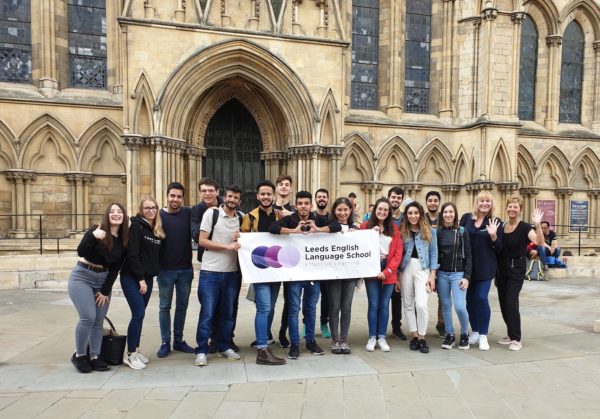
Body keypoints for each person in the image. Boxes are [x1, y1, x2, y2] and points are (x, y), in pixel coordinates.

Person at [269, 191, 341, 359]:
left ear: (311, 205)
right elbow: (272, 228)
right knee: (294, 310)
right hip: (294, 275)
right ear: (296, 205)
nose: (303, 206)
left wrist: (318, 229)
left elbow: (336, 226)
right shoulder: (290, 219)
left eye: (306, 203)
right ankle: (294, 344)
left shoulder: (318, 219)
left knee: (310, 309)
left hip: (313, 275)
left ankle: (310, 341)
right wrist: (293, 231)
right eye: (300, 203)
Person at [68, 203, 128, 373]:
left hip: (102, 280)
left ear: (124, 216)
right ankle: (79, 355)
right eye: (112, 211)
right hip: (82, 276)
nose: (116, 214)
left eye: (119, 211)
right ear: (107, 215)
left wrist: (104, 290)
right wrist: (92, 236)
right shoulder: (97, 229)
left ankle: (95, 356)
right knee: (88, 317)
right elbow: (81, 251)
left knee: (98, 320)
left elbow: (116, 268)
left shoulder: (123, 240)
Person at [194, 185, 244, 366]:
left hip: (232, 273)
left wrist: (242, 238)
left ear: (239, 201)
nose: (232, 200)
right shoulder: (211, 214)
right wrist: (227, 246)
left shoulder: (241, 218)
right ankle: (201, 350)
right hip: (211, 273)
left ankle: (224, 346)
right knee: (207, 313)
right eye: (230, 196)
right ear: (224, 197)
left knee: (227, 314)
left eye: (236, 198)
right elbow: (202, 240)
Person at [241, 180, 285, 365]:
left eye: (269, 194)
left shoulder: (280, 215)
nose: (266, 197)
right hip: (259, 269)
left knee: (271, 306)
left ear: (273, 195)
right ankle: (262, 350)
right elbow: (243, 239)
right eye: (263, 194)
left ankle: (264, 342)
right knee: (264, 308)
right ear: (258, 196)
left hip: (275, 269)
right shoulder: (250, 217)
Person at [120, 196, 164, 369]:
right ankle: (130, 354)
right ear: (141, 210)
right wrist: (140, 279)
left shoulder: (156, 229)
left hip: (147, 278)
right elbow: (133, 254)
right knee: (138, 313)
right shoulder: (136, 226)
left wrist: (154, 273)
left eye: (153, 207)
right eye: (147, 208)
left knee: (140, 315)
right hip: (132, 277)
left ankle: (136, 350)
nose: (151, 210)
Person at [497, 198, 544, 351]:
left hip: (516, 267)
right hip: (501, 268)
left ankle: (516, 338)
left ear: (520, 209)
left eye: (515, 207)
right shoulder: (502, 226)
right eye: (510, 206)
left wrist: (537, 225)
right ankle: (510, 334)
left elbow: (539, 242)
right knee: (503, 302)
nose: (512, 209)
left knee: (511, 301)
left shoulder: (524, 227)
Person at [459, 191, 503, 351]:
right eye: (482, 201)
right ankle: (475, 331)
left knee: (481, 298)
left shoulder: (495, 222)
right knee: (469, 300)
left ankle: (484, 334)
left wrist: (493, 236)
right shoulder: (466, 219)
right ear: (476, 203)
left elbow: (500, 248)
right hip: (468, 267)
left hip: (486, 267)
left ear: (492, 204)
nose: (484, 204)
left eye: (488, 201)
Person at [156, 182, 195, 358]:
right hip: (165, 271)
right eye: (172, 196)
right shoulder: (158, 216)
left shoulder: (188, 213)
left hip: (185, 270)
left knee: (182, 306)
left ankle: (178, 341)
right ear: (167, 196)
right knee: (164, 306)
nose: (175, 199)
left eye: (179, 196)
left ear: (183, 198)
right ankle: (166, 342)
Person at [360, 198, 403, 352]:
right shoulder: (365, 226)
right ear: (375, 210)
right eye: (380, 209)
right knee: (374, 303)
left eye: (386, 210)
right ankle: (372, 337)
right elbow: (359, 244)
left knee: (384, 305)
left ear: (389, 212)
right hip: (372, 268)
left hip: (388, 269)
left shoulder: (394, 229)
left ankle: (382, 337)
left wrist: (388, 271)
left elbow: (398, 253)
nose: (382, 212)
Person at [399, 202, 438, 354]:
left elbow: (434, 253)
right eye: (410, 213)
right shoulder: (402, 231)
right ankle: (414, 335)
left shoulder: (429, 230)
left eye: (416, 213)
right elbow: (397, 252)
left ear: (420, 214)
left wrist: (433, 275)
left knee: (421, 304)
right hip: (405, 268)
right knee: (408, 304)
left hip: (423, 269)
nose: (413, 216)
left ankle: (422, 336)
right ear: (406, 215)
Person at [436, 202, 472, 350]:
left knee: (460, 306)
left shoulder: (462, 231)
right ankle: (450, 335)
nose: (448, 215)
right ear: (442, 214)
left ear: (455, 214)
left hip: (458, 273)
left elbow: (468, 255)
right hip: (442, 274)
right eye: (445, 212)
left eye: (451, 212)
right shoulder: (437, 232)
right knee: (445, 305)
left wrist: (467, 277)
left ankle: (464, 333)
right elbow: (435, 254)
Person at [327, 197, 359, 354]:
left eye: (345, 209)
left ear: (350, 211)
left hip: (350, 275)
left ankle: (344, 339)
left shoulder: (355, 228)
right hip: (333, 275)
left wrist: (357, 234)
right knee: (334, 307)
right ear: (334, 211)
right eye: (339, 210)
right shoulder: (329, 227)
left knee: (346, 307)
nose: (342, 213)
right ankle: (335, 340)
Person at [273, 174, 294, 348]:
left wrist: (291, 215)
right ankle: (265, 333)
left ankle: (282, 332)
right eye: (281, 184)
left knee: (289, 299)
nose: (284, 187)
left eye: (287, 184)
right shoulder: (267, 207)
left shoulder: (295, 210)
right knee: (267, 301)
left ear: (290, 188)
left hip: (289, 259)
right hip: (271, 259)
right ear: (276, 188)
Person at [425, 190, 445, 338]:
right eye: (430, 200)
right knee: (421, 295)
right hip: (425, 262)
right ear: (426, 202)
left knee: (443, 296)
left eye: (435, 200)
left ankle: (441, 324)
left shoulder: (445, 218)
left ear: (439, 202)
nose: (433, 203)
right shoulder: (421, 219)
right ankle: (421, 325)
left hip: (443, 262)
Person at [387, 186, 407, 341]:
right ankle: (377, 329)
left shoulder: (404, 218)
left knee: (396, 296)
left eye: (398, 198)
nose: (395, 200)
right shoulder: (382, 214)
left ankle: (396, 327)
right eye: (393, 197)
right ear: (389, 197)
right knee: (379, 299)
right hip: (382, 261)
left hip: (399, 261)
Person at [313, 188, 331, 339]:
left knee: (326, 297)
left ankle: (324, 323)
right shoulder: (310, 216)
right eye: (319, 197)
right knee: (310, 297)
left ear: (328, 199)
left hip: (328, 266)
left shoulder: (332, 218)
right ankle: (307, 324)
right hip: (311, 265)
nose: (322, 199)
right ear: (315, 199)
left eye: (324, 197)